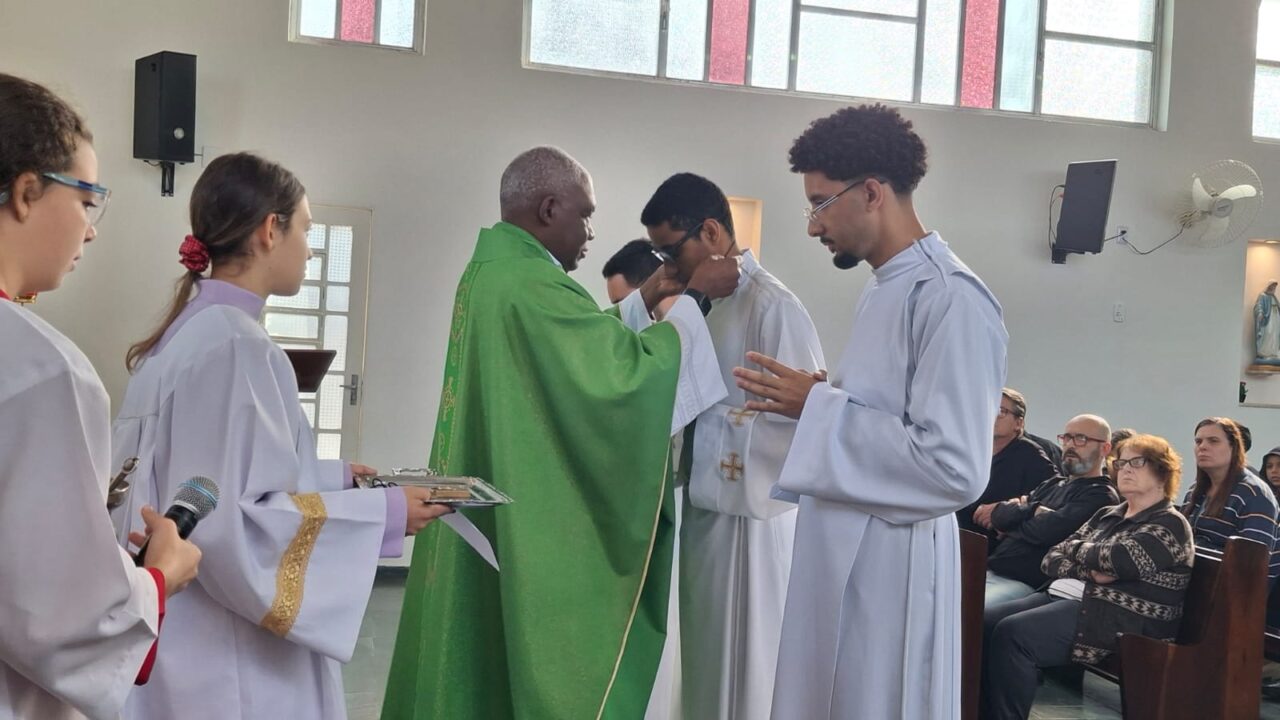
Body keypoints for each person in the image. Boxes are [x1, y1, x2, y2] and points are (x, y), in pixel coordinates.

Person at [383, 146, 741, 720]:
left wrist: (647, 298)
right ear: (550, 208)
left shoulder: (498, 271)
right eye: (585, 214)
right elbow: (621, 379)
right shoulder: (529, 283)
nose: (591, 231)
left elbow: (577, 346)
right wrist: (695, 298)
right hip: (529, 507)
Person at [111, 153, 449, 720]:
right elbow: (226, 525)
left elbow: (214, 480)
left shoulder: (186, 334)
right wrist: (386, 515)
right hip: (227, 654)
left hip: (182, 626)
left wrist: (338, 478)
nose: (311, 248)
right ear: (271, 230)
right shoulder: (237, 347)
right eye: (307, 228)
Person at [733, 104, 1007, 718]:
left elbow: (955, 468)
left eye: (820, 203)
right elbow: (888, 416)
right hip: (845, 553)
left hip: (892, 573)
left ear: (873, 192)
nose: (811, 226)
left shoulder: (951, 298)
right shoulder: (887, 287)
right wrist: (823, 402)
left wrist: (821, 408)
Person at [0, 72, 201, 720]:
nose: (91, 231)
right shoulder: (39, 370)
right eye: (89, 200)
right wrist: (158, 577)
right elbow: (64, 622)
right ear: (27, 191)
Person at [627, 172, 824, 720]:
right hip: (703, 511)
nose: (665, 265)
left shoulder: (773, 307)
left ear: (710, 231)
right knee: (704, 657)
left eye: (670, 249)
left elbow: (797, 428)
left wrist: (695, 426)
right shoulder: (697, 304)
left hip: (751, 524)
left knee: (745, 666)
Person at [982, 434, 1194, 720]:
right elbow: (1052, 556)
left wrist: (1080, 553)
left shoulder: (1169, 523)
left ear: (1162, 472)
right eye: (1121, 462)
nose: (1125, 469)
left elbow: (1120, 561)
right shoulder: (1108, 514)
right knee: (983, 623)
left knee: (1015, 634)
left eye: (1137, 462)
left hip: (1122, 617)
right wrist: (1089, 565)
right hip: (1074, 596)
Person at [983, 415, 1120, 605]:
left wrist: (1015, 519)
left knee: (967, 612)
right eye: (1066, 438)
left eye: (1081, 439)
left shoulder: (1101, 495)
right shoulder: (1052, 484)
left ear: (1105, 448)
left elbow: (1045, 533)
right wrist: (1034, 510)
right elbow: (999, 516)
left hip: (1024, 583)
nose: (1071, 445)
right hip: (988, 568)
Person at [1181, 417, 1280, 583]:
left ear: (1234, 447)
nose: (1203, 447)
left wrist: (1189, 548)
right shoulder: (1194, 491)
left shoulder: (1254, 494)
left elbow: (1251, 563)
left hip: (1237, 597)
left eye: (1213, 441)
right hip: (1196, 589)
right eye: (1198, 441)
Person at [961, 388, 1058, 543]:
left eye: (1001, 411)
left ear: (1018, 423)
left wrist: (1008, 510)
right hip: (959, 534)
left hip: (996, 546)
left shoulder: (1030, 454)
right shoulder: (971, 449)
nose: (992, 415)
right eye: (989, 408)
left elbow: (1054, 494)